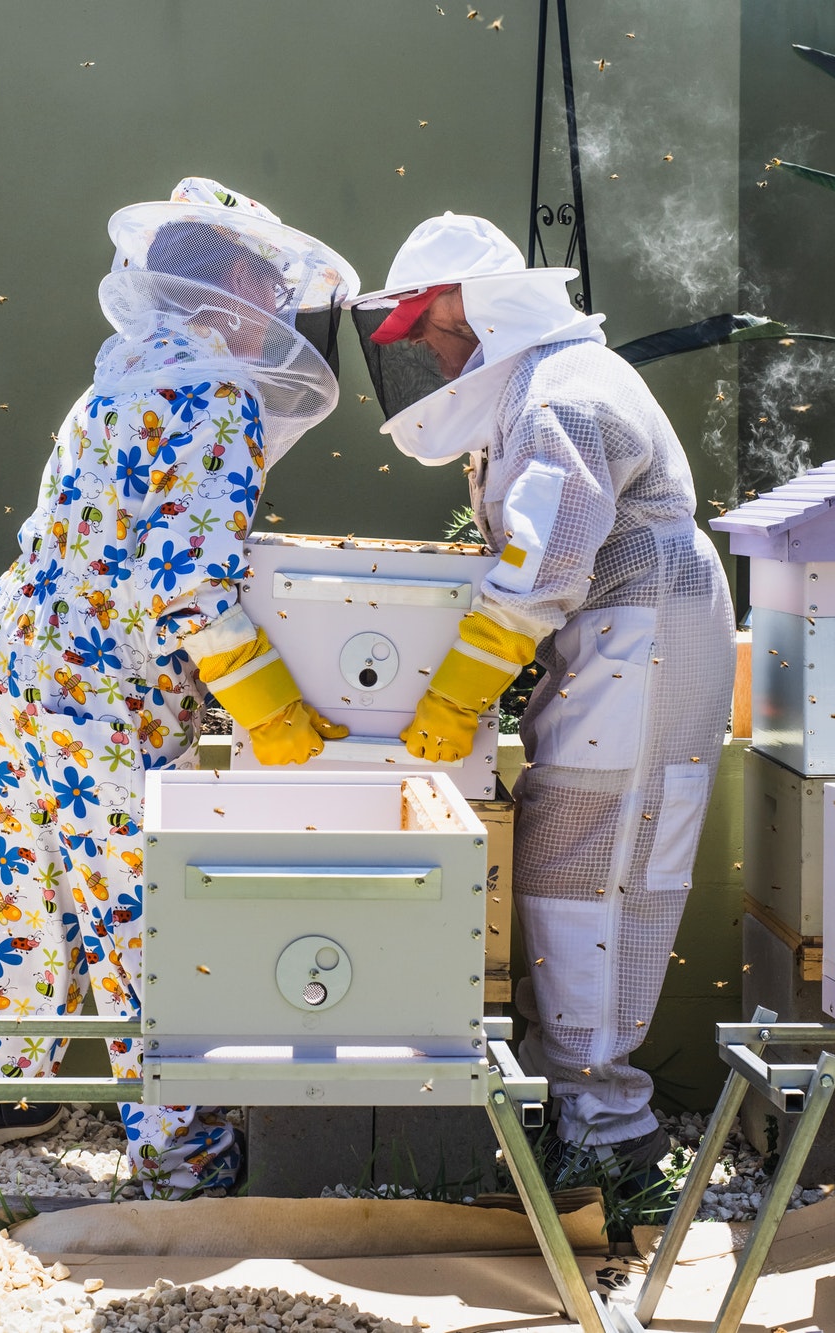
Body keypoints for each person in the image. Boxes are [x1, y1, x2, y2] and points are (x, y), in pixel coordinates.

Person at [0, 179, 358, 1197]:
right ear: (222, 287)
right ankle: (181, 1152)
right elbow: (187, 583)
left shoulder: (117, 376)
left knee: (17, 870)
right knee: (139, 907)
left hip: (20, 658)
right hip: (106, 692)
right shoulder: (216, 395)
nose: (282, 297)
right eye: (268, 275)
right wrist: (269, 710)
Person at [350, 213, 735, 1194]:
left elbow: (541, 564)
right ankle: (586, 1116)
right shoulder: (539, 386)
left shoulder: (563, 393)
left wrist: (457, 692)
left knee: (593, 863)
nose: (427, 365)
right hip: (620, 633)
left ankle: (612, 1144)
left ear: (468, 315)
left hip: (638, 629)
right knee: (574, 848)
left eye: (424, 339)